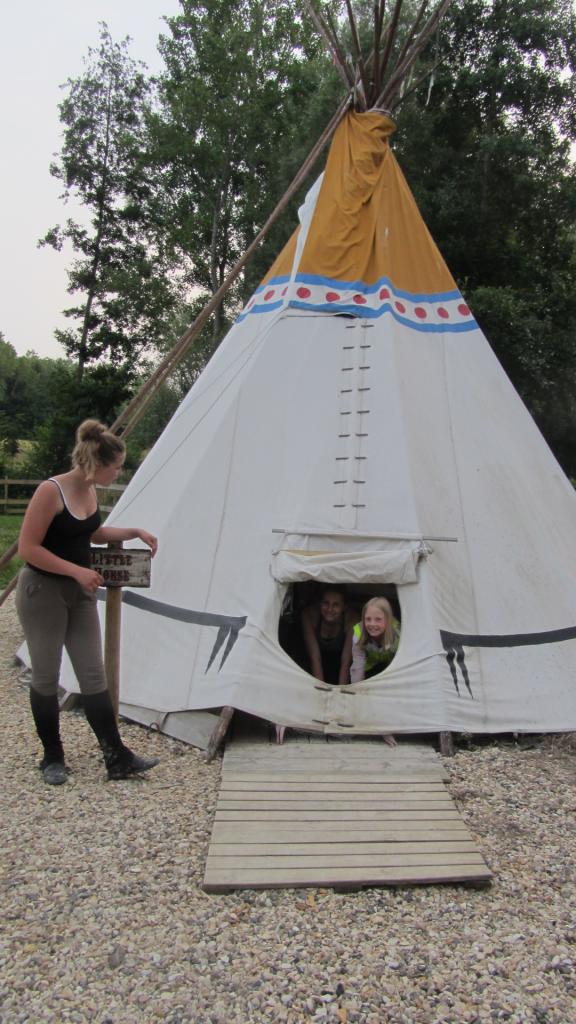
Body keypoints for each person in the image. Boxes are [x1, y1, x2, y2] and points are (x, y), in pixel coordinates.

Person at [16, 419, 159, 785]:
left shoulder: (90, 490)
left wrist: (134, 531)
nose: (119, 472)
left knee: (93, 674)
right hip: (42, 591)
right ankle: (52, 757)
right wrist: (76, 571)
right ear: (98, 463)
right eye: (117, 466)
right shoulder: (53, 491)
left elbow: (90, 532)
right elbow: (28, 548)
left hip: (78, 594)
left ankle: (117, 757)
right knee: (46, 674)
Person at [340, 596, 400, 745]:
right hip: (371, 668)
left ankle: (387, 725)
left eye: (378, 619)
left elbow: (400, 668)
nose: (372, 624)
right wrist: (357, 698)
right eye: (368, 619)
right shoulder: (358, 632)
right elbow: (357, 667)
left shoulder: (398, 634)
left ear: (388, 619)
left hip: (392, 669)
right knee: (363, 691)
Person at [301, 586, 356, 686]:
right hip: (314, 663)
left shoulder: (351, 620)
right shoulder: (310, 616)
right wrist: (321, 691)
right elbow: (314, 656)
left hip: (338, 663)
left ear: (344, 607)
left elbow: (346, 661)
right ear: (320, 603)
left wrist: (340, 692)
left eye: (336, 605)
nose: (329, 609)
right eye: (326, 603)